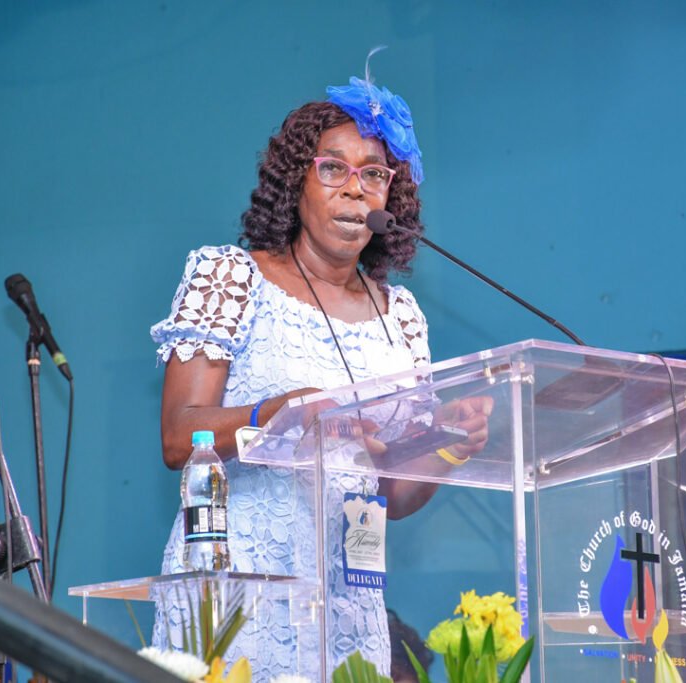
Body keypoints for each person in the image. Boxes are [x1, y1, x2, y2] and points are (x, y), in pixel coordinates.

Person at [149, 62, 491, 680]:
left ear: (393, 197)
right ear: (295, 183)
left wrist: (448, 446)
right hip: (236, 589)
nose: (354, 189)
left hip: (349, 604)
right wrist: (277, 415)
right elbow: (179, 435)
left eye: (374, 175)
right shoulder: (230, 277)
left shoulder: (402, 317)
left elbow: (392, 494)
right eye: (333, 168)